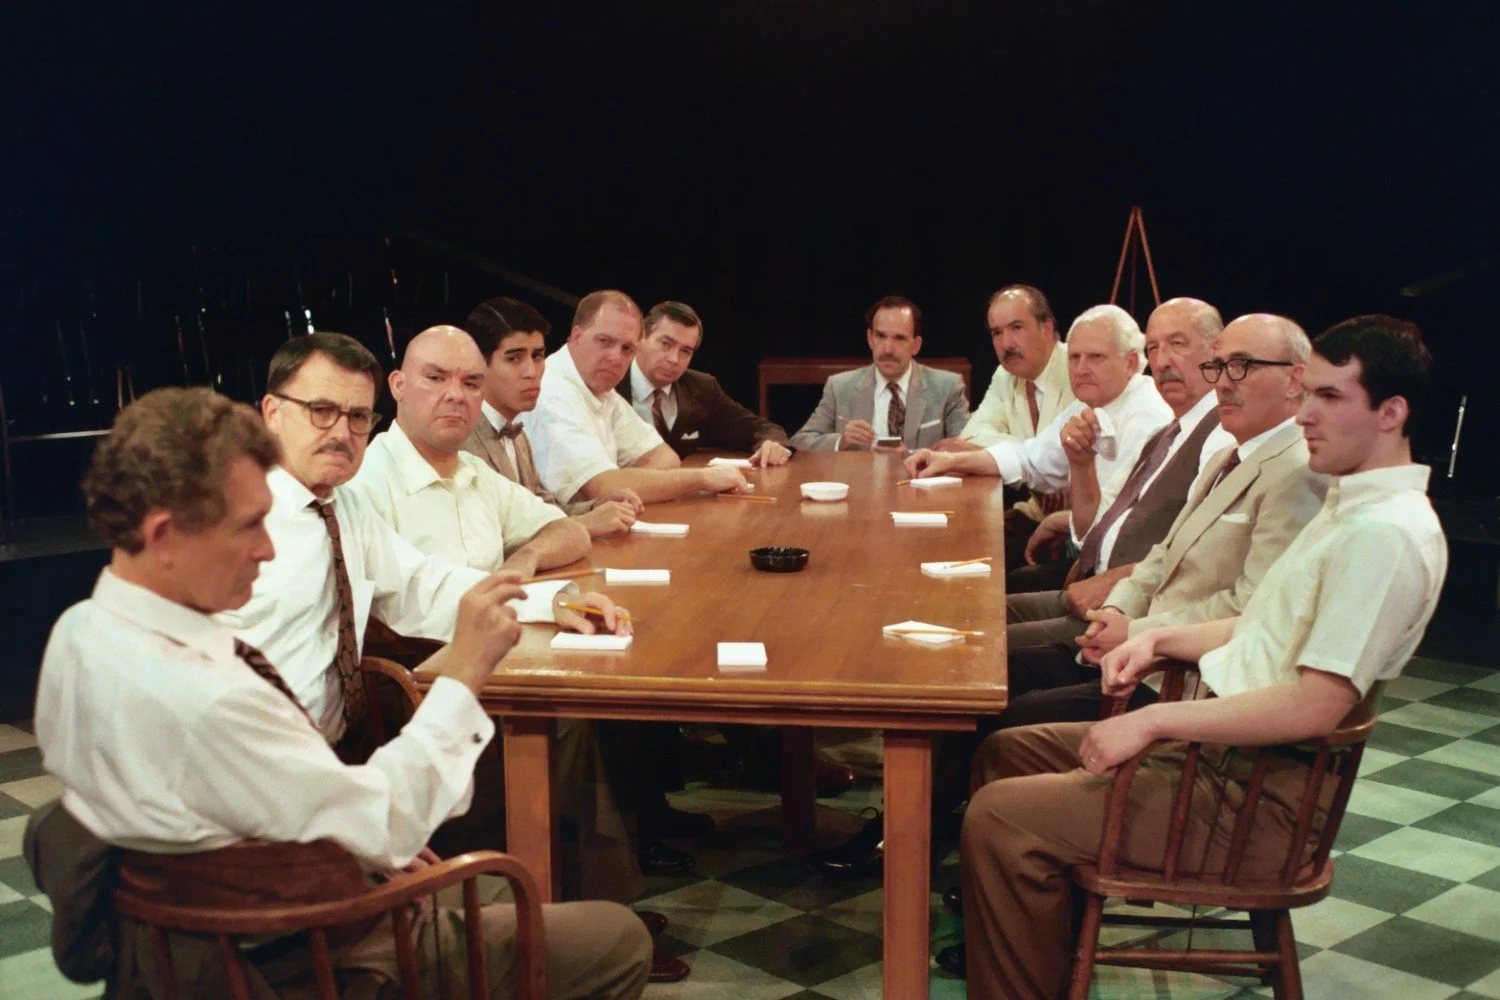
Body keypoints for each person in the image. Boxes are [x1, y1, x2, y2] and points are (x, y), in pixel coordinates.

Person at [32, 386, 652, 999]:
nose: (268, 547)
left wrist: (342, 838)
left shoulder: (77, 633)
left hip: (193, 927)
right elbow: (388, 825)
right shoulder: (211, 697)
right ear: (164, 535)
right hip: (297, 954)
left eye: (358, 415)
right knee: (617, 938)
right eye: (250, 526)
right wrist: (463, 673)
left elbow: (205, 810)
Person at [958, 314, 1446, 999]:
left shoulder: (1384, 535)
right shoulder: (1348, 506)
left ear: (1392, 412)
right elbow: (1260, 623)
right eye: (1310, 394)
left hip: (1257, 797)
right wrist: (1156, 638)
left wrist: (1155, 723)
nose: (1307, 414)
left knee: (999, 816)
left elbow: (1316, 704)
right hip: (1221, 763)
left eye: (1331, 398)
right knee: (1006, 753)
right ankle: (1039, 952)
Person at [993, 313, 1327, 731]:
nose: (1223, 382)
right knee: (994, 672)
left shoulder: (1297, 471)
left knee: (1005, 708)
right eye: (1219, 367)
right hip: (1130, 644)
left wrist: (1136, 630)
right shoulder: (1230, 455)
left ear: (1295, 381)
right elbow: (1163, 554)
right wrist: (1116, 610)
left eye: (1242, 366)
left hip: (1177, 680)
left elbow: (1253, 608)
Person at [1009, 298, 1232, 629]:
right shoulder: (1168, 433)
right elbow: (1094, 530)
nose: (1161, 361)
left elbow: (1198, 557)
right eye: (1153, 348)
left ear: (1217, 352)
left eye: (1177, 344)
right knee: (984, 610)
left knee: (994, 642)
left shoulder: (1220, 437)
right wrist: (1081, 465)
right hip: (1096, 586)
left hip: (1134, 614)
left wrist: (1114, 586)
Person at [905, 305, 1174, 526]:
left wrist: (1059, 523)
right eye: (1075, 357)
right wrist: (949, 460)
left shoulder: (1148, 419)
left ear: (1130, 363)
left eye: (1095, 358)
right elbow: (1029, 457)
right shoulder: (1090, 404)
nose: (1080, 369)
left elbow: (1122, 524)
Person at [523, 290, 750, 505]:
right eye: (605, 341)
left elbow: (665, 457)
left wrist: (623, 482)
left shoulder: (601, 390)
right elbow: (603, 488)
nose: (615, 357)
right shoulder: (552, 391)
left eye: (627, 349)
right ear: (576, 336)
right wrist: (702, 478)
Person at [462, 296, 643, 538]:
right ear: (478, 364)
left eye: (537, 356)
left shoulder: (517, 432)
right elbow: (486, 541)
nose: (531, 372)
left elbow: (544, 510)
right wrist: (586, 523)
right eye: (514, 358)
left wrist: (598, 506)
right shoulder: (460, 436)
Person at [938, 285, 1075, 573]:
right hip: (1035, 511)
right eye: (996, 333)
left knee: (984, 570)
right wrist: (1033, 460)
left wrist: (1026, 460)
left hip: (1077, 524)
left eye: (1016, 328)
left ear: (1047, 328)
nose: (1006, 343)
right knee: (947, 545)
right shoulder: (1006, 375)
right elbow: (971, 436)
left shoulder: (1078, 368)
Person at [618, 300, 793, 465]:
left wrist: (771, 444)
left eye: (685, 351)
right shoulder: (611, 384)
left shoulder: (701, 388)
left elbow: (759, 428)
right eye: (666, 344)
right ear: (640, 339)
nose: (674, 359)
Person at [789, 295, 970, 452]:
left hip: (919, 489)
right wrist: (840, 441)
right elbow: (799, 443)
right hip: (860, 488)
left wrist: (911, 457)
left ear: (916, 345)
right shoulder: (839, 387)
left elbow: (966, 449)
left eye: (899, 338)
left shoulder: (947, 387)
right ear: (870, 339)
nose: (888, 349)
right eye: (881, 336)